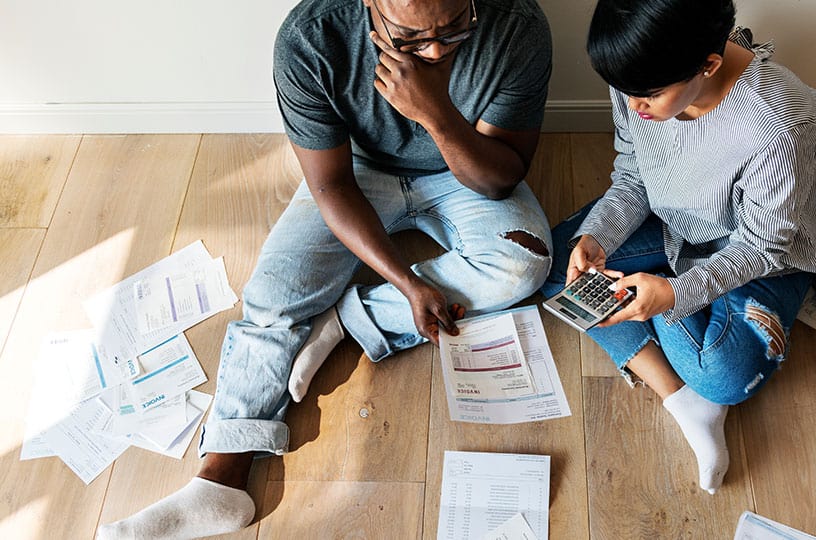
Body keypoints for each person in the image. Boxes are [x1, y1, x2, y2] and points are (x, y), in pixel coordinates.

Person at [98, 0, 552, 537]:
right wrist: (406, 282)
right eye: (410, 38)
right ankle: (221, 477)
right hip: (357, 175)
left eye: (455, 29)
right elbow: (330, 185)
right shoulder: (310, 39)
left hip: (467, 168)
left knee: (525, 265)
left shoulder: (516, 25)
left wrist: (435, 112)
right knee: (272, 297)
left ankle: (348, 320)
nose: (434, 50)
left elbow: (500, 179)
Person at [541, 0, 816, 495]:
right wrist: (595, 237)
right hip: (674, 226)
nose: (634, 106)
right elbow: (634, 173)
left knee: (725, 375)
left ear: (708, 64)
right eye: (625, 92)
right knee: (551, 260)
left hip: (761, 259)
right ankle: (683, 400)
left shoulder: (782, 120)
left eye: (648, 96)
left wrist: (674, 293)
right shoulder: (638, 74)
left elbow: (764, 246)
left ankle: (690, 366)